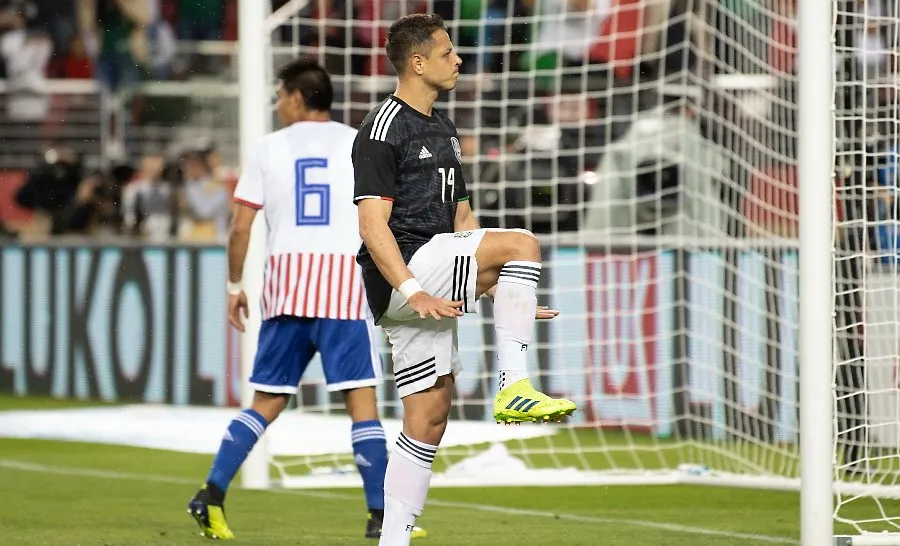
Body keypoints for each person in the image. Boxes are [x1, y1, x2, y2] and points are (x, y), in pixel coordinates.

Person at [352, 13, 577, 546]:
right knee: (523, 242)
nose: (458, 59)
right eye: (448, 51)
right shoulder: (382, 129)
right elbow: (370, 224)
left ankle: (393, 539)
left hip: (428, 273)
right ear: (417, 61)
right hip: (406, 273)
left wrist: (504, 288)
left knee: (428, 417)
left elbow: (463, 223)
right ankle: (513, 388)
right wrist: (414, 290)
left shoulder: (445, 128)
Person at [186, 59, 426, 541]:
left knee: (267, 401)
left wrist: (235, 287)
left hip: (286, 287)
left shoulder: (267, 149)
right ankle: (381, 516)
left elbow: (241, 226)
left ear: (298, 97)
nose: (277, 104)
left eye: (280, 96)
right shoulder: (360, 141)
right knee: (361, 402)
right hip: (341, 286)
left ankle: (210, 495)